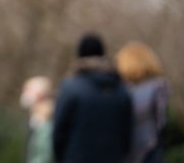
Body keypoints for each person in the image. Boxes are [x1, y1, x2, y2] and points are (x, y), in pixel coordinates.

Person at [52, 33, 132, 163]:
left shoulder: (70, 88)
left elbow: (59, 131)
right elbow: (127, 134)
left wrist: (61, 158)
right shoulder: (122, 90)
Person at [115, 41, 169, 163]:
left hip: (124, 150)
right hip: (150, 147)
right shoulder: (158, 87)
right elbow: (161, 123)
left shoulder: (118, 90)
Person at [20, 76, 54, 163]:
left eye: (28, 90)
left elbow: (43, 154)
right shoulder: (34, 118)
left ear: (40, 94)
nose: (24, 94)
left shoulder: (45, 120)